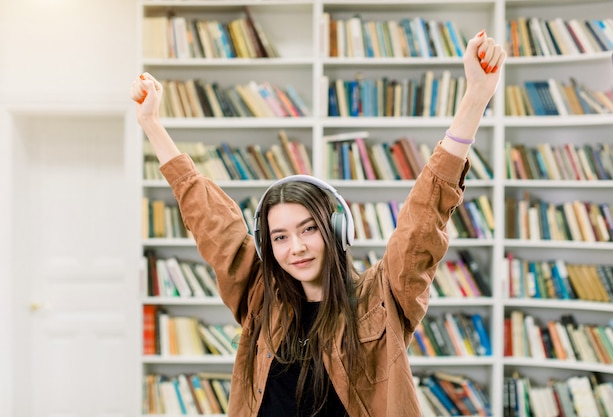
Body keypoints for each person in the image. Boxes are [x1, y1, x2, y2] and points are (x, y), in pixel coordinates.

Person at [131, 30, 506, 417]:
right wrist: (152, 125)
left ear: (338, 230)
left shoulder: (383, 296)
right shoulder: (260, 299)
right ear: (267, 247)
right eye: (279, 236)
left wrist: (476, 96)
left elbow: (423, 220)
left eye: (308, 229)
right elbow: (211, 220)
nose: (295, 247)